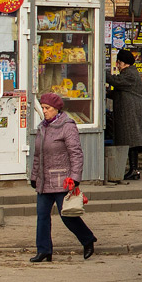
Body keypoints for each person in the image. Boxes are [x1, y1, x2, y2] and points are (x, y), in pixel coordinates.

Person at [30, 92, 96, 262]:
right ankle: (44, 250)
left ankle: (87, 239)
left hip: (62, 180)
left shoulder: (67, 126)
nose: (44, 111)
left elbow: (76, 153)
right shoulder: (42, 127)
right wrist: (34, 176)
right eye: (43, 108)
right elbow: (37, 155)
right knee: (42, 216)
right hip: (44, 181)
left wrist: (75, 178)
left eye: (48, 108)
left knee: (67, 215)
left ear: (56, 109)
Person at [107, 48, 142, 180]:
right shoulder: (129, 73)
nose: (117, 65)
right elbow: (120, 91)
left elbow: (117, 82)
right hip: (129, 111)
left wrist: (102, 73)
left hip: (132, 112)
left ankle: (134, 169)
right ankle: (132, 169)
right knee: (129, 140)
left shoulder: (129, 74)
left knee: (132, 141)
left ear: (124, 63)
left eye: (118, 62)